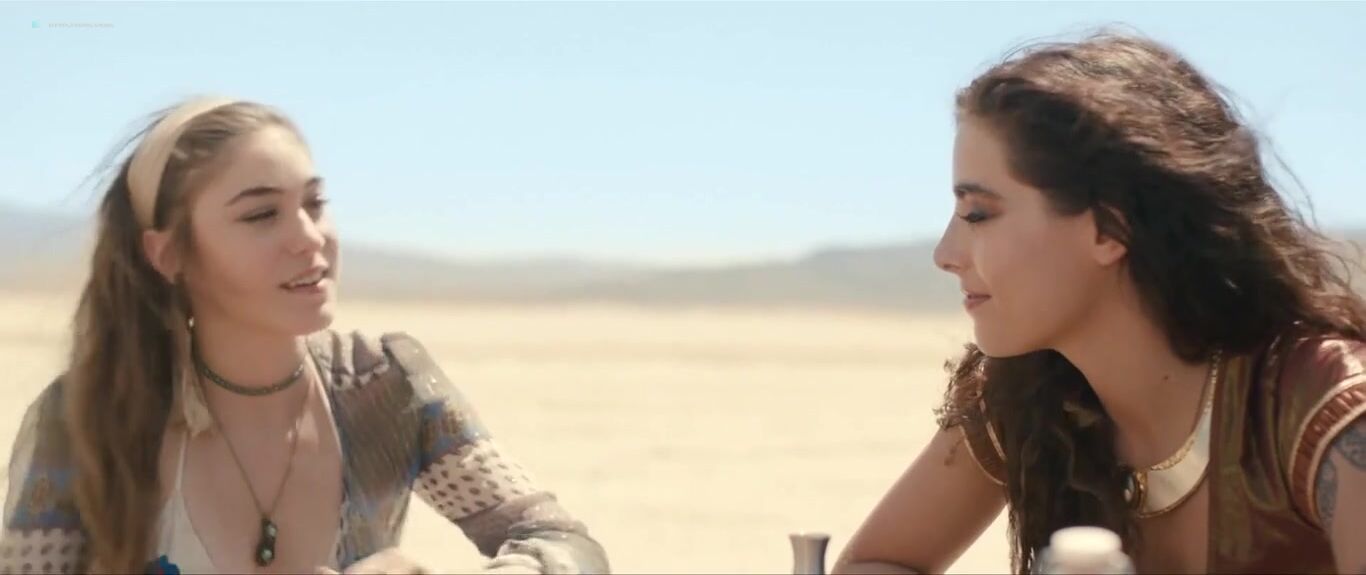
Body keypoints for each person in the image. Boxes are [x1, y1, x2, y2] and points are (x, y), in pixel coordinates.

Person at [0, 97, 610, 575]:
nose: (310, 237)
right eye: (261, 214)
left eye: (314, 204)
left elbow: (563, 543)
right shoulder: (86, 418)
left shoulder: (382, 384)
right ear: (169, 255)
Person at [834, 32, 1366, 574]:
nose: (946, 255)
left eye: (978, 214)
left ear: (1111, 227)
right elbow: (877, 563)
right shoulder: (1028, 394)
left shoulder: (1326, 407)